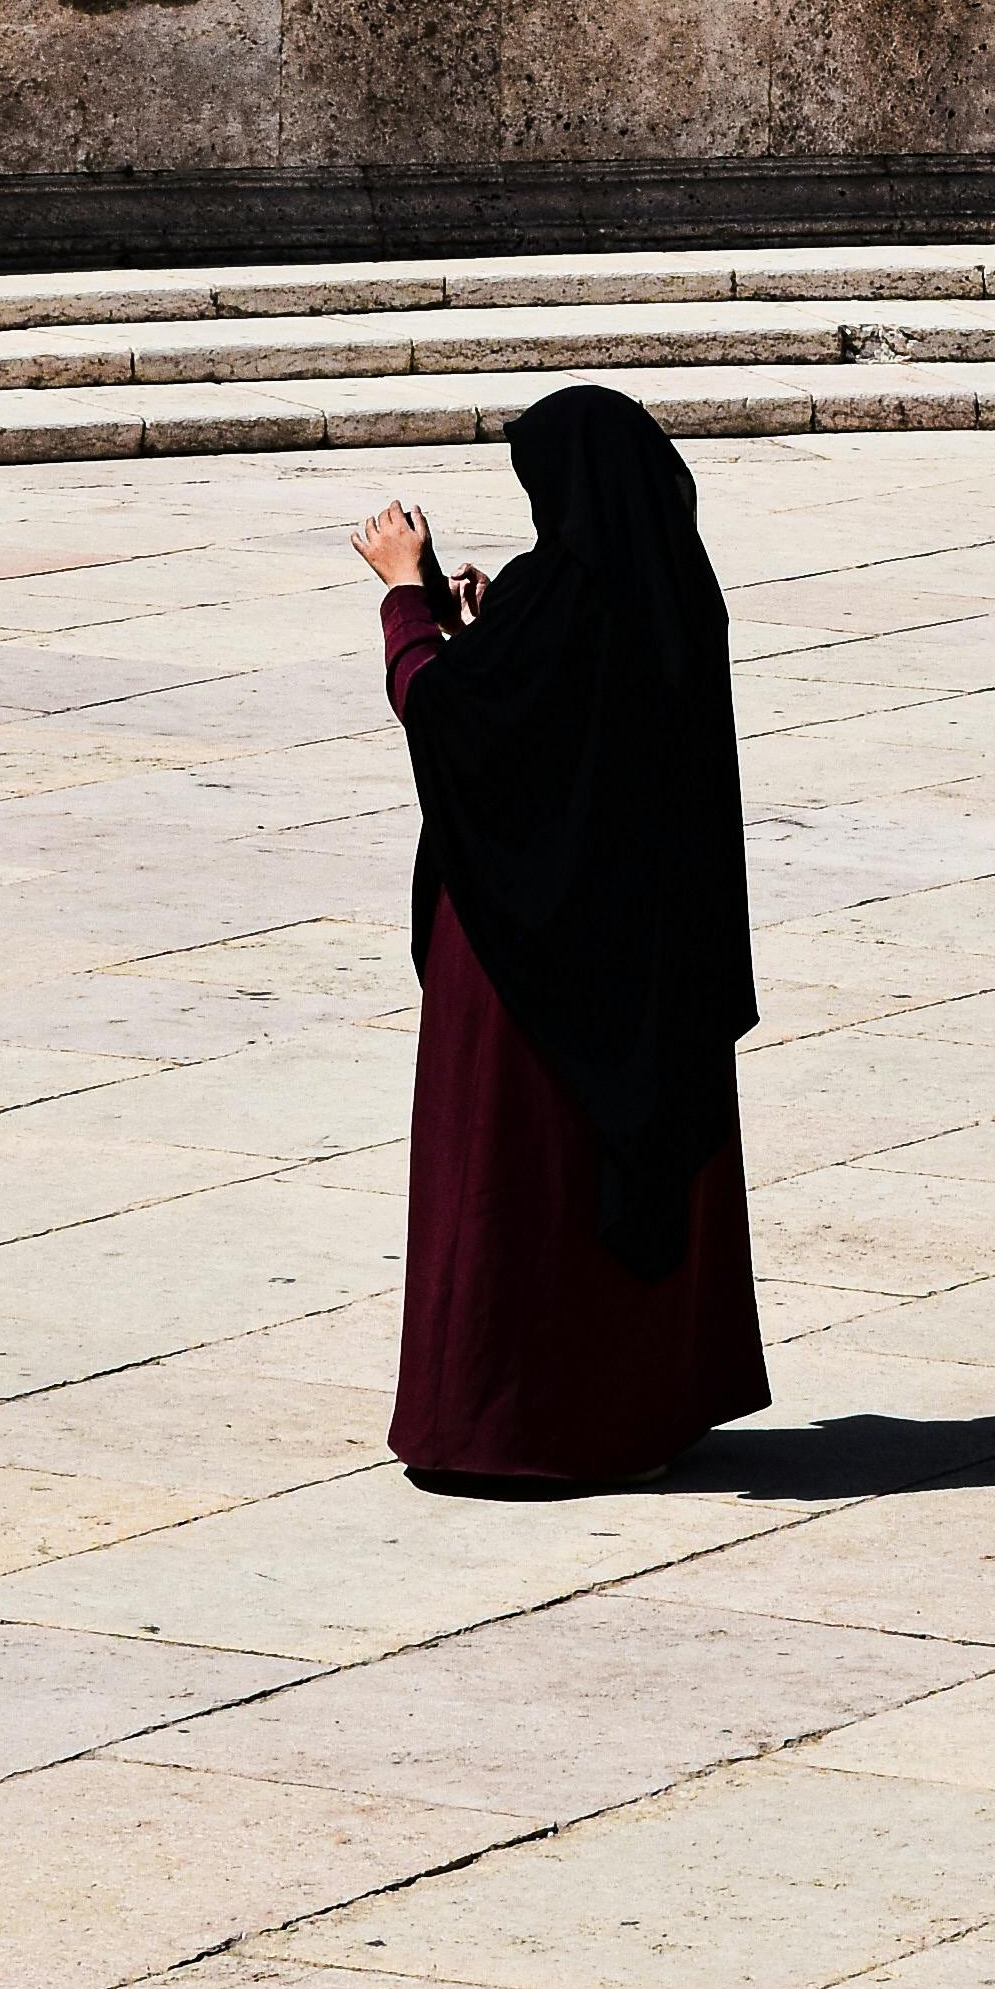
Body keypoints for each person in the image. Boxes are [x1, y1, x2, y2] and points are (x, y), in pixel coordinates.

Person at [352, 387, 768, 1490]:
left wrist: (406, 603)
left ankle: (508, 1425)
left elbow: (451, 720)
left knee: (519, 1184)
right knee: (616, 1173)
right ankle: (635, 1409)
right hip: (650, 957)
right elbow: (581, 717)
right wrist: (496, 626)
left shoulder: (560, 601)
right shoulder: (669, 589)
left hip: (530, 960)